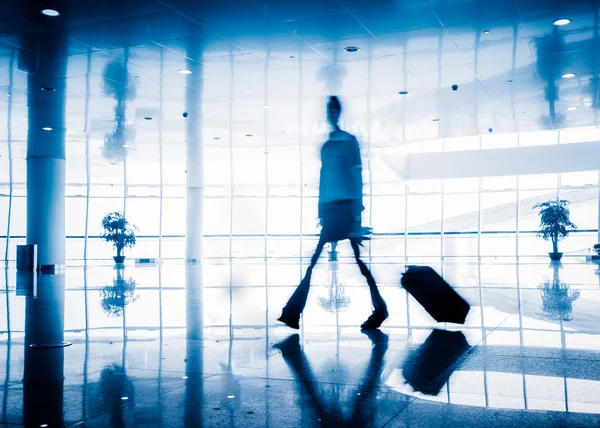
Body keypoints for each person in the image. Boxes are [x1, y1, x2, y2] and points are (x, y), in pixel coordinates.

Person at [277, 96, 388, 330]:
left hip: (345, 209)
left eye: (335, 108)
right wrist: (321, 210)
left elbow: (356, 175)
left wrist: (357, 216)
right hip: (332, 210)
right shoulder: (328, 145)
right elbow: (325, 178)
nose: (332, 113)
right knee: (350, 261)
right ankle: (380, 309)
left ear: (339, 112)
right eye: (330, 109)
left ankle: (292, 312)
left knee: (338, 261)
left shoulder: (348, 141)